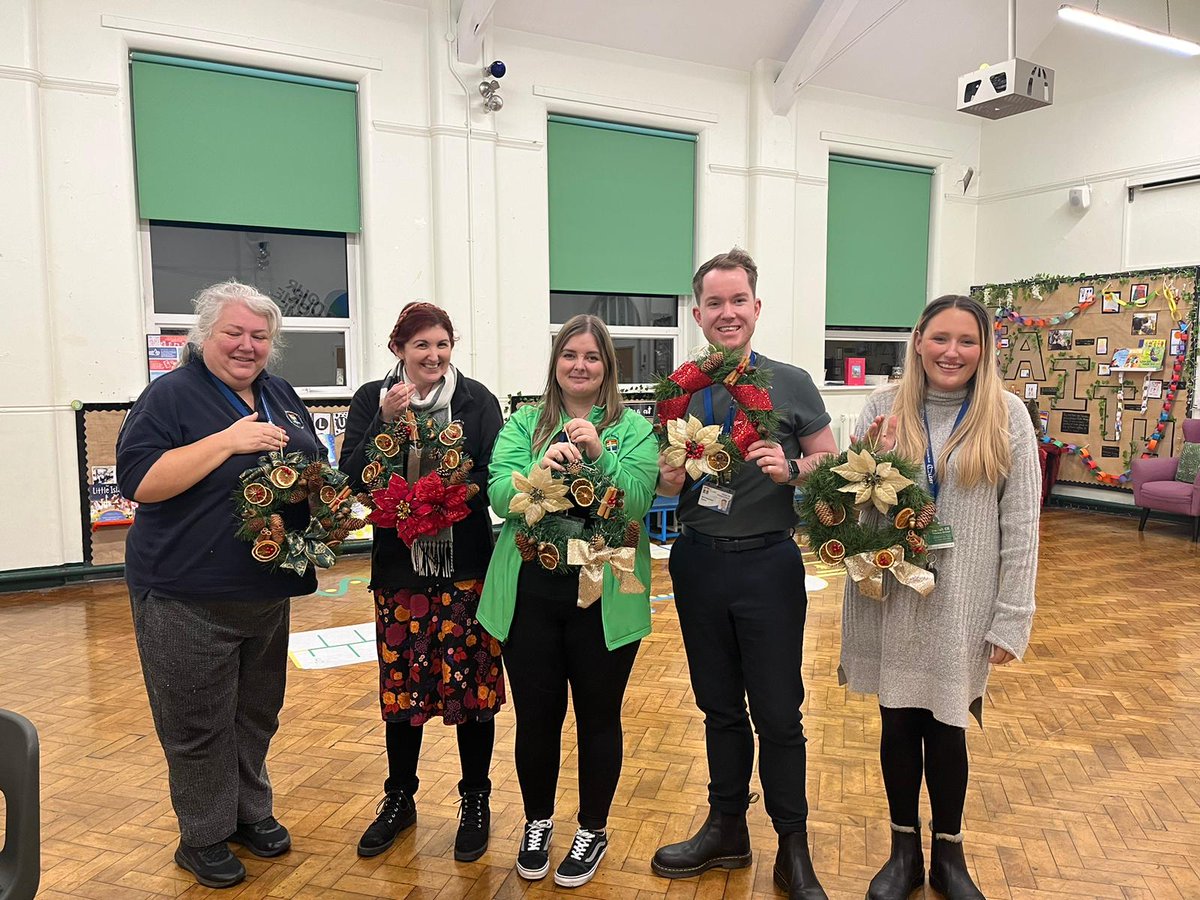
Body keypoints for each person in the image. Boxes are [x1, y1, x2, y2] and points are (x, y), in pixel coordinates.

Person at [117, 281, 321, 889]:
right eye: (233, 333)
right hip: (185, 593)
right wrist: (228, 441)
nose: (247, 345)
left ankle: (248, 811)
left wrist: (319, 493)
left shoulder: (280, 394)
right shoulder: (170, 396)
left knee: (256, 713)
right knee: (197, 723)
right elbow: (140, 480)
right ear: (204, 336)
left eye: (260, 336)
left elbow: (303, 462)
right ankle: (202, 835)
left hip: (265, 589)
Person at [652, 249, 837, 900]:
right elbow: (661, 477)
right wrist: (668, 479)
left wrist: (794, 468)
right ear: (697, 312)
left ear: (756, 308)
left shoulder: (791, 383)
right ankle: (728, 829)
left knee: (780, 714)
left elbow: (829, 462)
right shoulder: (681, 387)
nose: (727, 313)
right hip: (699, 559)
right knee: (719, 708)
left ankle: (794, 847)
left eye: (739, 301)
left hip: (769, 564)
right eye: (714, 303)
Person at [841, 294, 1039, 900]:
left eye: (967, 341)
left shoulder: (1006, 416)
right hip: (891, 599)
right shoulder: (880, 409)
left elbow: (1023, 526)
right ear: (918, 341)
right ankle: (903, 850)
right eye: (940, 338)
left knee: (948, 727)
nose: (952, 352)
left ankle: (948, 856)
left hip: (963, 603)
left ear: (985, 350)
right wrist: (869, 458)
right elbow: (849, 519)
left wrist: (1012, 618)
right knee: (896, 723)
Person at [478, 314, 658, 889]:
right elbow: (501, 497)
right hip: (530, 594)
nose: (580, 366)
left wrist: (601, 456)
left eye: (593, 357)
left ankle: (593, 829)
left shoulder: (633, 429)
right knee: (536, 719)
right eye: (569, 356)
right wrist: (536, 469)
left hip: (607, 594)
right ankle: (537, 822)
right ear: (555, 365)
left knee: (599, 717)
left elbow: (636, 505)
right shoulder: (525, 423)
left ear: (608, 368)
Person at [339, 302, 506, 862]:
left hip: (465, 567)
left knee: (473, 689)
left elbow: (490, 471)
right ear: (398, 351)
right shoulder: (372, 399)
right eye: (421, 347)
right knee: (404, 690)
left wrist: (440, 504)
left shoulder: (477, 400)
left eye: (441, 345)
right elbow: (353, 474)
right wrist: (385, 421)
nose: (433, 356)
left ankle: (475, 799)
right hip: (400, 568)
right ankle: (399, 798)